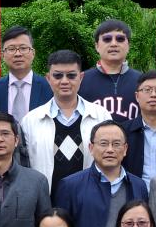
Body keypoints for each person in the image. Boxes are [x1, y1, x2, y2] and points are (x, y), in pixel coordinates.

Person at [19, 49, 114, 192]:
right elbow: (24, 167)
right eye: (57, 75)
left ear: (81, 77)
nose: (64, 81)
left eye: (71, 75)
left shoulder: (101, 116)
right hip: (46, 200)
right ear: (48, 78)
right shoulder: (30, 121)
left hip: (90, 197)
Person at [55, 120, 149, 227]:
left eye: (116, 144)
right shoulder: (70, 185)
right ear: (91, 148)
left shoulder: (138, 185)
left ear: (125, 149)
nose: (110, 150)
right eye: (103, 143)